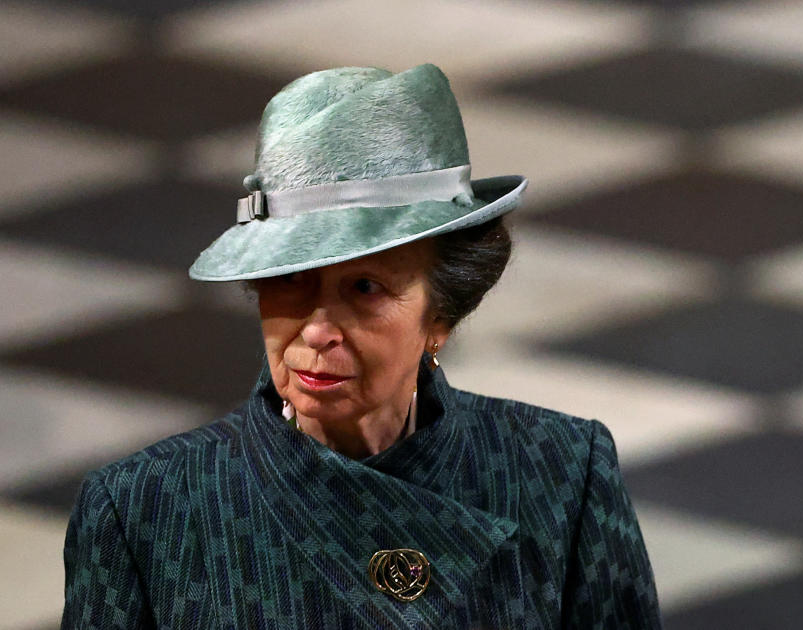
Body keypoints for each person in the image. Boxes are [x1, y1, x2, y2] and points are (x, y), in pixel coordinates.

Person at [60, 64, 661, 629]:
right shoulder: (147, 508)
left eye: (365, 288)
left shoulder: (559, 472)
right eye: (289, 281)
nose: (318, 330)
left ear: (441, 316)